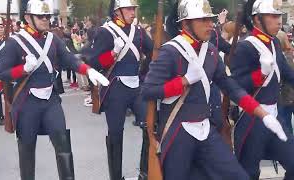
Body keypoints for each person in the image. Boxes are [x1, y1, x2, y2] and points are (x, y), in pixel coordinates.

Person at [142, 0, 287, 179]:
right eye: (203, 20)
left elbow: (231, 87)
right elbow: (148, 91)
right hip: (178, 132)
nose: (210, 24)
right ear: (186, 24)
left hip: (205, 129)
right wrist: (184, 81)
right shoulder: (171, 52)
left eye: (210, 19)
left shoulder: (210, 51)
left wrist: (261, 114)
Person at [0, 0, 109, 179]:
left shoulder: (52, 39)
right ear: (28, 18)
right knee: (27, 149)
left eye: (47, 16)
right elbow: (2, 73)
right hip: (27, 103)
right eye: (40, 16)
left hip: (50, 100)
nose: (45, 19)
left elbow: (69, 59)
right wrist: (23, 69)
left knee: (63, 145)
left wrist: (88, 70)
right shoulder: (15, 42)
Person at [88, 0, 153, 179]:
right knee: (116, 133)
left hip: (136, 86)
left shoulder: (138, 31)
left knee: (150, 126)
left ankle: (145, 172)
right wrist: (112, 53)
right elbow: (93, 63)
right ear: (118, 12)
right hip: (115, 88)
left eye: (134, 9)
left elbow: (153, 51)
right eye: (129, 9)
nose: (133, 12)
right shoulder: (105, 31)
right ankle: (116, 176)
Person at [230, 0, 294, 179]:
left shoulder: (273, 43)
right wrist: (261, 74)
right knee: (249, 173)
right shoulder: (246, 46)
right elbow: (236, 86)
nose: (279, 21)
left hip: (274, 115)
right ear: (257, 20)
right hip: (252, 119)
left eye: (279, 16)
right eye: (273, 17)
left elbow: (288, 74)